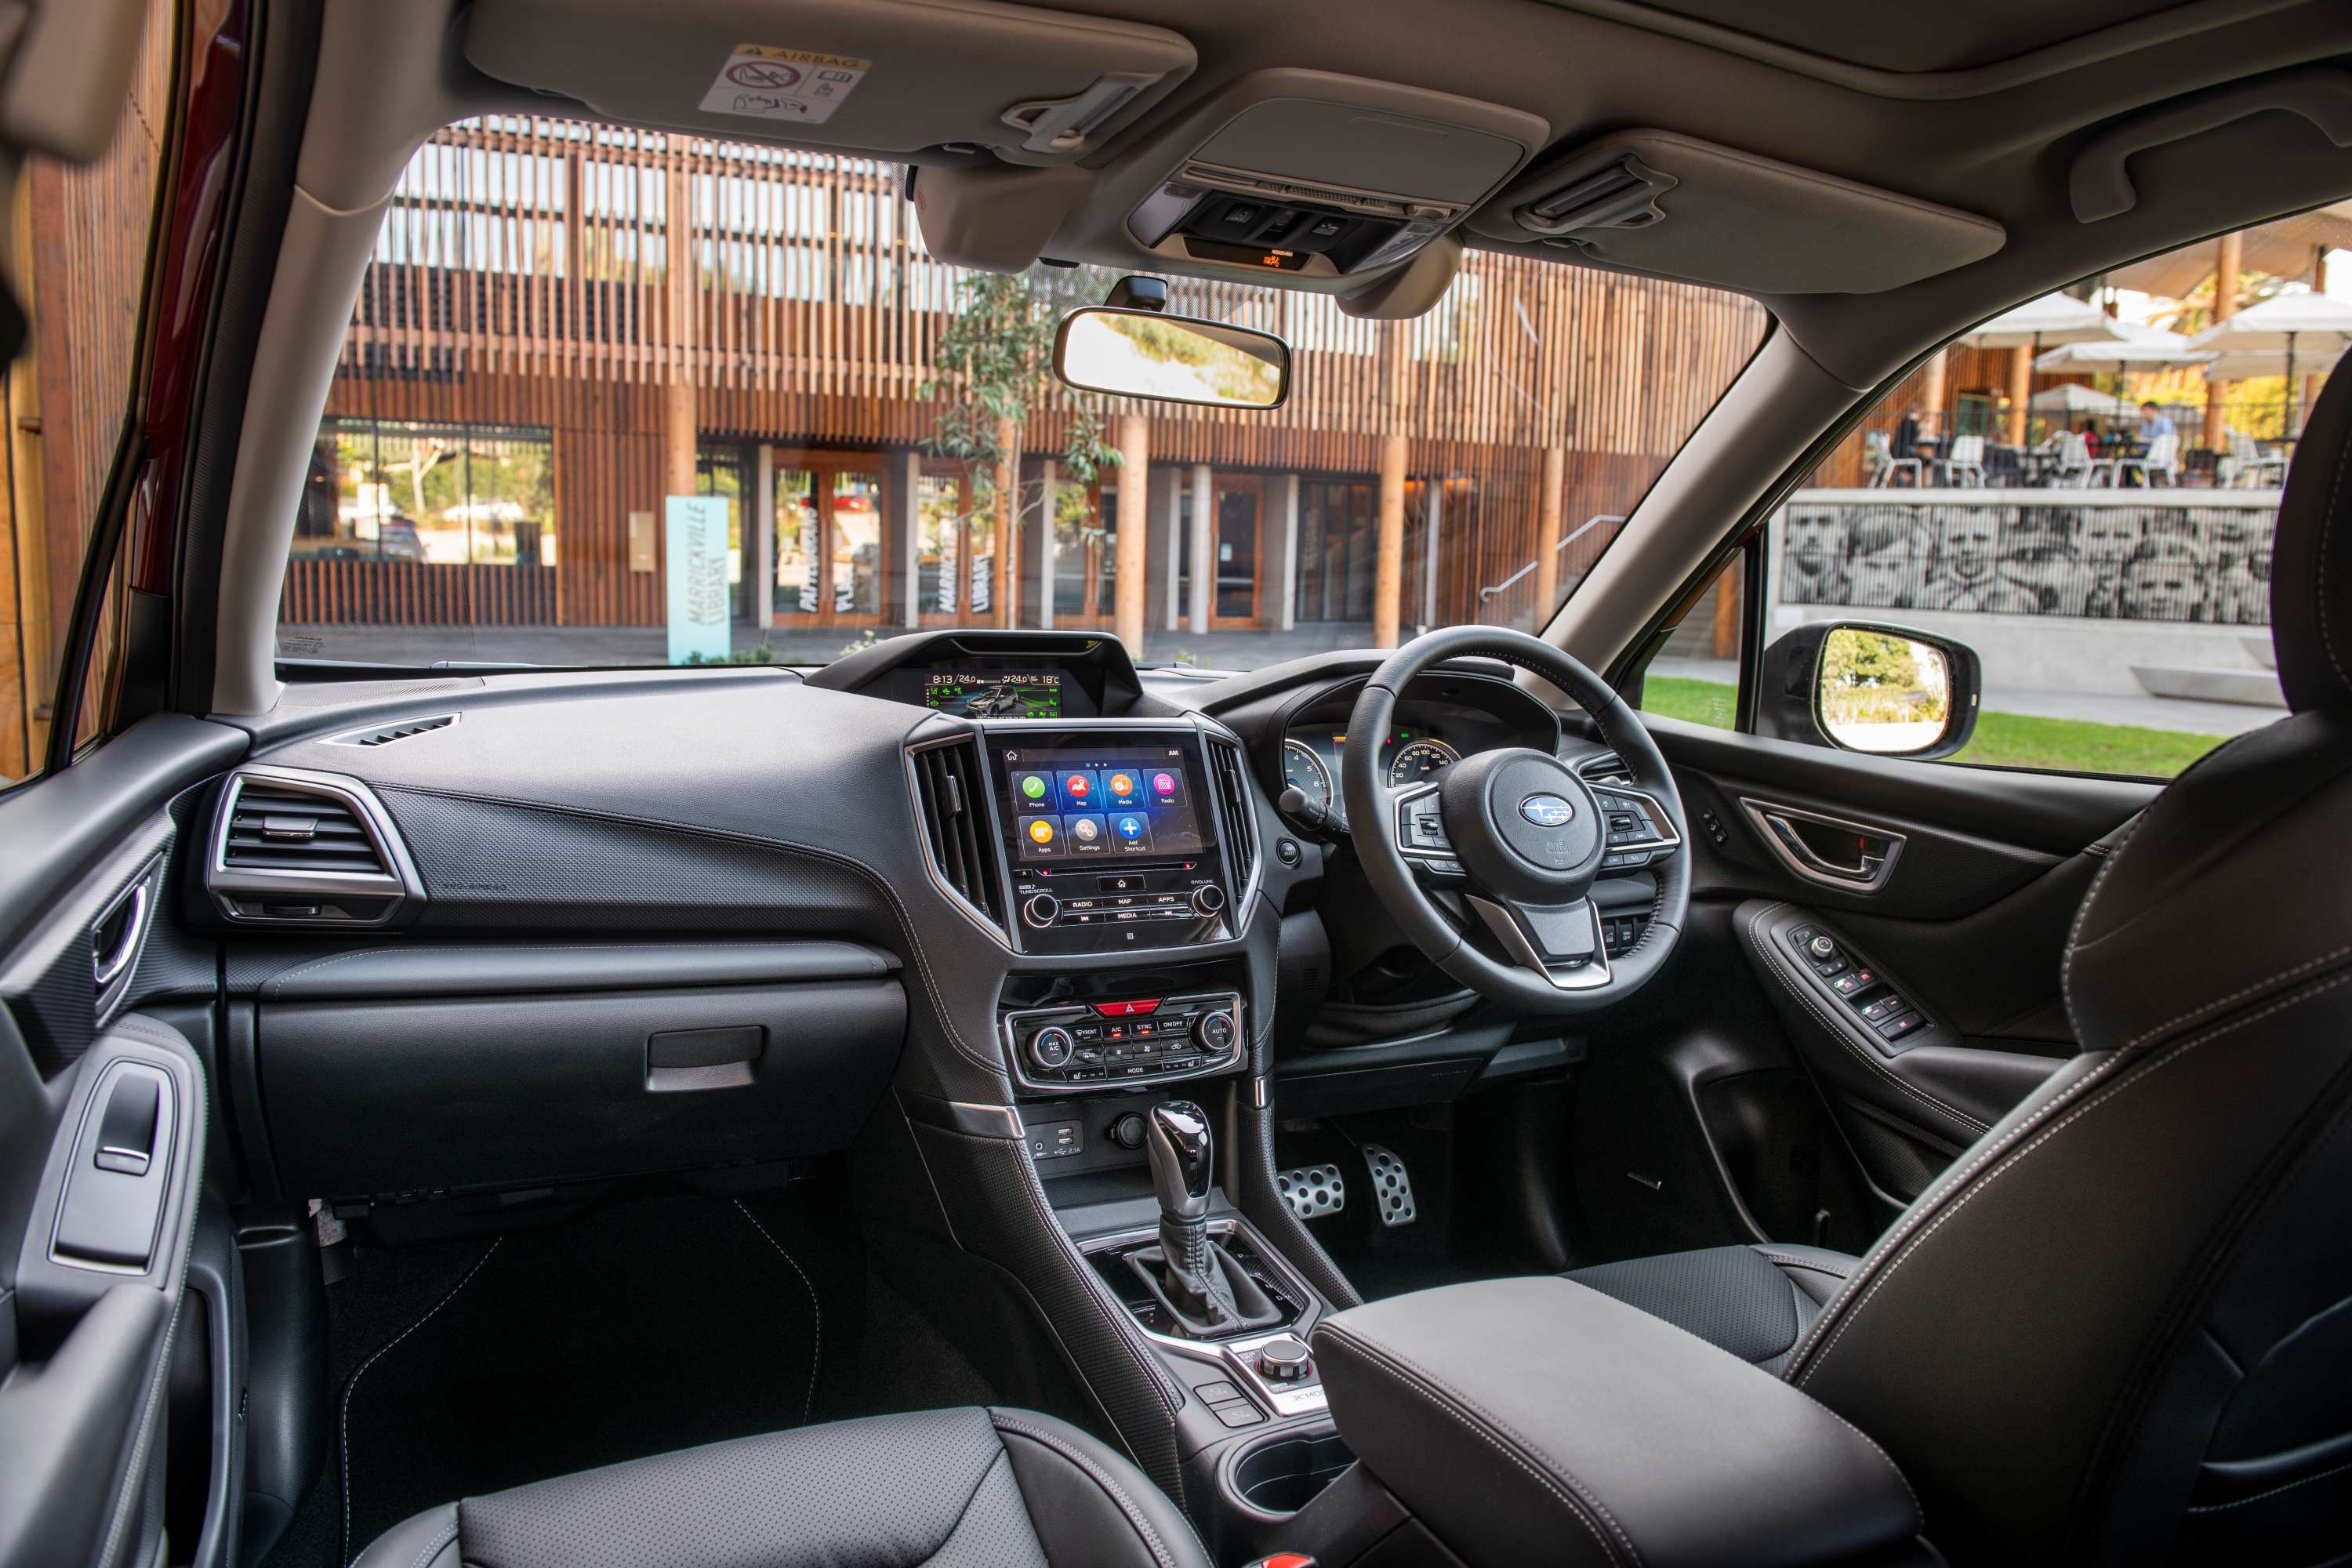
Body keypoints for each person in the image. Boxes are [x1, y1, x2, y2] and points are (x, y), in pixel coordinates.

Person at [1918, 505, 2039, 612]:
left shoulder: (2019, 598)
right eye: (1957, 539)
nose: (1968, 548)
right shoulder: (1929, 596)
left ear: (2000, 544)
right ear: (1944, 546)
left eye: (1980, 539)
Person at [1781, 505, 1853, 604]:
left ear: (1842, 530)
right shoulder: (1779, 586)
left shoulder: (1852, 590)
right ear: (1787, 531)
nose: (1812, 534)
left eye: (1824, 522)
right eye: (1802, 522)